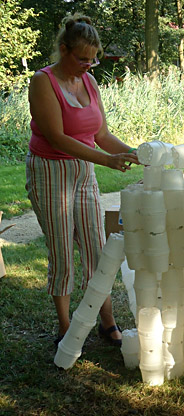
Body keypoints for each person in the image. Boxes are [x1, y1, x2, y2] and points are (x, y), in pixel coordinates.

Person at [25, 13, 139, 347]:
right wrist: (108, 161)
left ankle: (107, 322)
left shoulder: (88, 81)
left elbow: (100, 133)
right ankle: (66, 328)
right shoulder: (43, 81)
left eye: (93, 60)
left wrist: (135, 153)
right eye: (82, 59)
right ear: (63, 50)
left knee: (96, 249)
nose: (88, 66)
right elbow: (58, 137)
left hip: (83, 171)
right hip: (50, 171)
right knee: (61, 251)